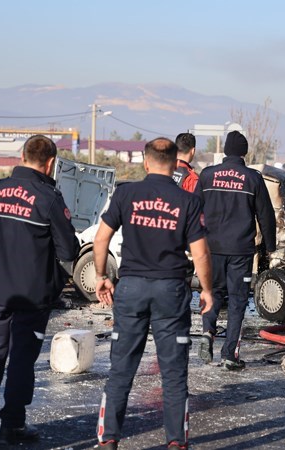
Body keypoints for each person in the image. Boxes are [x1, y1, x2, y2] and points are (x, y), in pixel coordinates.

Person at [94, 137, 213, 450]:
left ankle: (108, 439)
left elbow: (101, 239)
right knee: (173, 373)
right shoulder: (187, 200)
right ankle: (175, 442)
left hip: (131, 287)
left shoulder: (126, 193)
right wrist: (208, 290)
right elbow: (200, 254)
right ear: (175, 164)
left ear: (145, 162)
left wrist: (101, 276)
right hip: (170, 290)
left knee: (121, 369)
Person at [0, 135, 79, 444]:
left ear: (21, 156)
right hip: (32, 294)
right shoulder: (48, 197)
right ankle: (12, 424)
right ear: (50, 164)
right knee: (20, 358)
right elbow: (68, 249)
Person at [196, 131, 276, 370]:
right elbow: (266, 215)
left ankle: (208, 332)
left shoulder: (207, 175)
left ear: (224, 151)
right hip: (241, 250)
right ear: (245, 152)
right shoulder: (253, 178)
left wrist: (191, 242)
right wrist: (270, 247)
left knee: (212, 292)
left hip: (211, 248)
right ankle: (230, 353)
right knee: (238, 301)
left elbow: (193, 210)